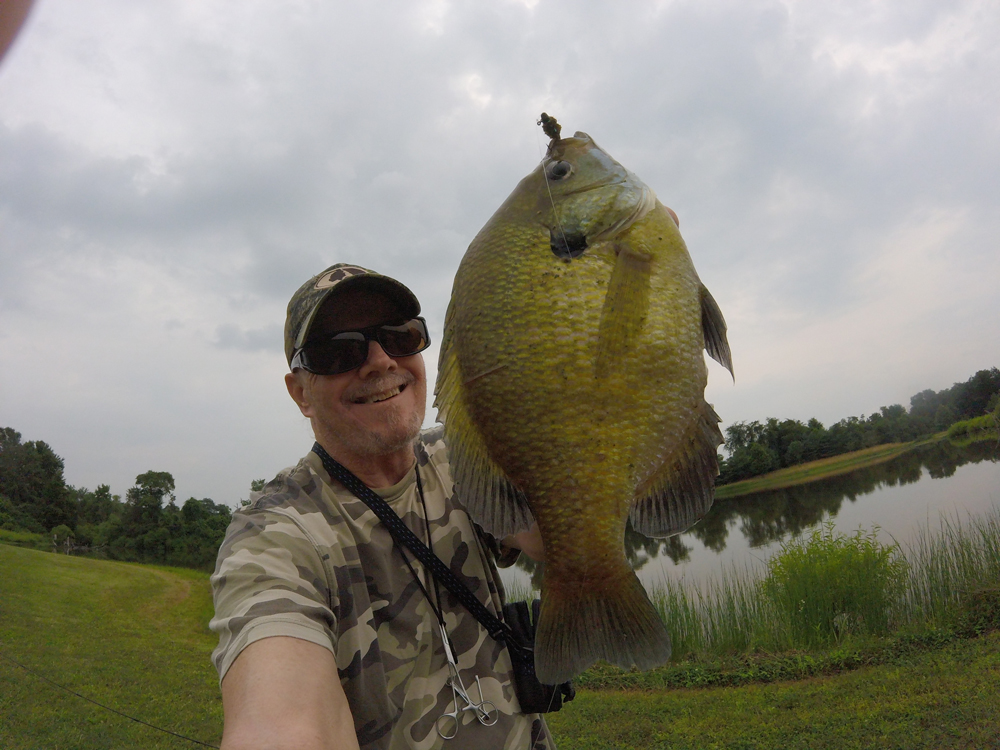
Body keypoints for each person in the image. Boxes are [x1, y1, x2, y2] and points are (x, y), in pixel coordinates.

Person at [210, 263, 552, 750]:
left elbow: (549, 536)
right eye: (337, 351)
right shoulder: (277, 534)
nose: (379, 360)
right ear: (299, 392)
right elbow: (279, 713)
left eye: (400, 336)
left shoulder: (464, 458)